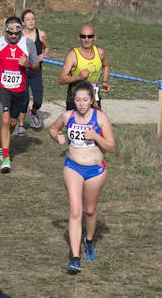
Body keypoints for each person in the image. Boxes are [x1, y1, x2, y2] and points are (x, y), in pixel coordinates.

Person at [48, 81, 116, 274]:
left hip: (95, 170)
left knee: (90, 210)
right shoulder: (68, 116)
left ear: (91, 100)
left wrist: (96, 135)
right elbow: (53, 129)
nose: (81, 103)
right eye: (78, 100)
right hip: (73, 167)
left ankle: (89, 240)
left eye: (85, 100)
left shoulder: (100, 118)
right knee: (76, 211)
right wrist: (57, 137)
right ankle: (75, 258)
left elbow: (111, 147)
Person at [0, 16, 39, 172]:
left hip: (19, 89)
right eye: (10, 33)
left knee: (13, 123)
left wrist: (27, 64)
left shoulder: (27, 44)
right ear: (5, 31)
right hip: (1, 86)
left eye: (16, 34)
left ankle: (2, 143)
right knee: (5, 119)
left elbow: (36, 65)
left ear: (21, 31)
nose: (13, 36)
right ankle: (6, 158)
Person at [58, 24, 111, 110]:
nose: (86, 40)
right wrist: (78, 77)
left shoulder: (100, 52)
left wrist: (104, 81)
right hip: (75, 99)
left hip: (93, 96)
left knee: (96, 122)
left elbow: (106, 66)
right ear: (79, 37)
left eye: (90, 37)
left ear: (95, 37)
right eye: (83, 36)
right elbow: (61, 80)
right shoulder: (73, 55)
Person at [16, 9, 49, 135]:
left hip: (36, 71)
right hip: (23, 72)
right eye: (28, 19)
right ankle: (21, 125)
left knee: (38, 100)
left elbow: (47, 47)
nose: (31, 22)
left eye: (32, 19)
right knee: (24, 101)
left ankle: (34, 113)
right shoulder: (19, 36)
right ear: (23, 22)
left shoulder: (41, 34)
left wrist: (43, 55)